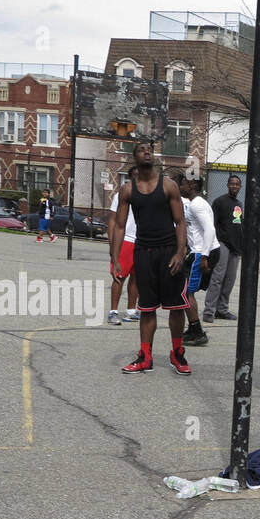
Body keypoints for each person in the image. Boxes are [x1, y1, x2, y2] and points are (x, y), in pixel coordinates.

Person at [110, 142, 190, 375]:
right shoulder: (127, 190)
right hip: (143, 252)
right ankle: (145, 356)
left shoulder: (168, 185)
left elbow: (180, 221)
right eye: (142, 150)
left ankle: (178, 353)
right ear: (134, 157)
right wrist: (115, 259)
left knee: (177, 307)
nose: (148, 152)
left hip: (168, 251)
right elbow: (120, 225)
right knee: (146, 308)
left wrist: (180, 252)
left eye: (150, 150)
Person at [176, 174, 218, 348]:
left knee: (186, 293)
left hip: (202, 252)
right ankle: (194, 329)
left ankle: (197, 331)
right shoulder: (196, 203)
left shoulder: (196, 204)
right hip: (199, 251)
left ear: (192, 185)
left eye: (183, 183)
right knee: (186, 291)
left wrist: (205, 256)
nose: (180, 186)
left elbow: (210, 229)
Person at [204, 174, 242, 323]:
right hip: (223, 243)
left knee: (230, 280)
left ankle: (222, 309)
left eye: (237, 184)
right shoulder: (219, 202)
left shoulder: (239, 203)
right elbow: (213, 224)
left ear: (240, 187)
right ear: (228, 185)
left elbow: (238, 225)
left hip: (236, 247)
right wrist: (214, 244)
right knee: (217, 278)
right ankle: (209, 311)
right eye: (232, 184)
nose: (234, 186)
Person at [106, 170, 140, 325]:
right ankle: (113, 312)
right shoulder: (122, 194)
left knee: (137, 279)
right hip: (125, 240)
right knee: (119, 277)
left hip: (141, 241)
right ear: (130, 176)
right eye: (135, 174)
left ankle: (131, 311)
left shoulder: (149, 195)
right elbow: (112, 220)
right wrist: (112, 243)